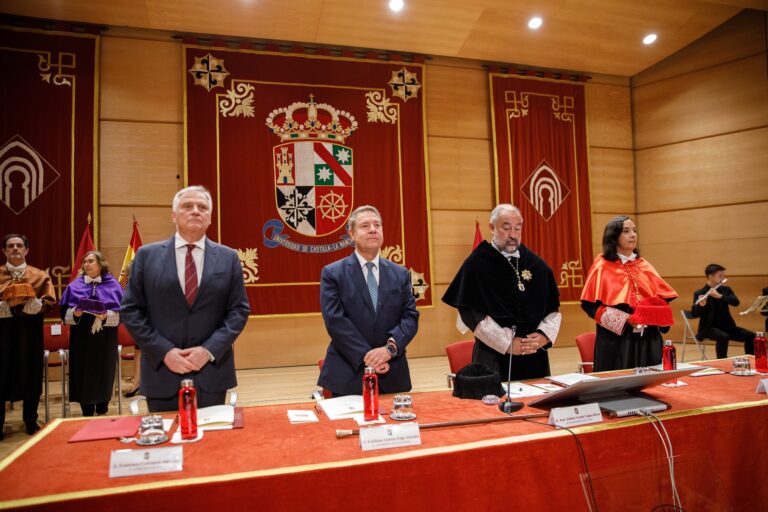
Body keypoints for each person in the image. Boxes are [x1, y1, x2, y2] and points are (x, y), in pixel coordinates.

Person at [121, 186, 250, 412]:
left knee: (214, 444)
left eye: (202, 207)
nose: (195, 211)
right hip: (162, 372)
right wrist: (164, 351)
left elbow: (239, 310)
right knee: (169, 443)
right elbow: (131, 310)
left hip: (212, 373)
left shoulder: (228, 258)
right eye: (187, 206)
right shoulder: (146, 256)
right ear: (174, 215)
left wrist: (209, 350)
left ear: (209, 217)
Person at [442, 204, 561, 380]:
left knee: (537, 403)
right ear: (491, 227)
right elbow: (470, 313)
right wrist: (506, 343)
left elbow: (552, 308)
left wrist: (543, 337)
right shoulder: (476, 264)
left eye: (517, 228)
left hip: (534, 356)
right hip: (494, 356)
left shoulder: (537, 265)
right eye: (506, 228)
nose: (513, 235)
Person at [317, 205, 419, 396]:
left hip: (392, 372)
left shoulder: (401, 274)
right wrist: (371, 357)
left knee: (398, 425)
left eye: (377, 225)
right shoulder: (333, 273)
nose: (373, 229)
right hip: (348, 373)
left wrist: (389, 350)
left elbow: (410, 317)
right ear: (351, 234)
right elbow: (335, 321)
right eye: (365, 225)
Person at [580, 216, 678, 371]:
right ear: (613, 237)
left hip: (649, 339)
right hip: (618, 341)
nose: (633, 235)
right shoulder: (602, 265)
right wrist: (626, 319)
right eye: (626, 231)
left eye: (634, 231)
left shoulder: (644, 265)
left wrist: (660, 316)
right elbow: (590, 306)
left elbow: (662, 299)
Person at [0, 234, 56, 438]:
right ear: (4, 251)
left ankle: (30, 421)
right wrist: (7, 306)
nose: (15, 248)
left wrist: (28, 305)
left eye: (19, 245)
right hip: (2, 335)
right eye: (10, 246)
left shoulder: (40, 276)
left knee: (31, 373)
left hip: (29, 334)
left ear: (26, 250)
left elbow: (49, 301)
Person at [60, 251, 123, 416]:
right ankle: (86, 409)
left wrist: (105, 315)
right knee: (83, 371)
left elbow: (122, 314)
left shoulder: (113, 285)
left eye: (90, 261)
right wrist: (76, 313)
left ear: (100, 264)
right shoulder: (75, 286)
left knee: (104, 370)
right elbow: (64, 312)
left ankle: (103, 406)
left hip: (105, 336)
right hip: (81, 336)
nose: (87, 264)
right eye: (85, 261)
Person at [690, 264, 754, 359]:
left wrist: (721, 296)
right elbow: (694, 313)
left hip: (727, 326)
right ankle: (722, 362)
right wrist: (700, 305)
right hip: (708, 328)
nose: (723, 278)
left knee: (752, 336)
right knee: (723, 337)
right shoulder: (700, 293)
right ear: (710, 277)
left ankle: (751, 360)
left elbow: (736, 302)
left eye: (723, 275)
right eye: (720, 276)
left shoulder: (725, 290)